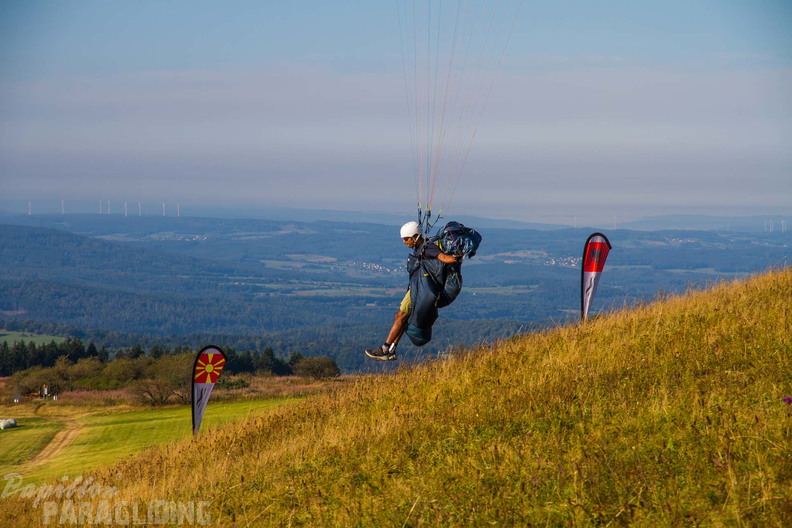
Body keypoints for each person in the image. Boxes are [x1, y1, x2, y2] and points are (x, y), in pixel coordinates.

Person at [365, 221, 458, 361]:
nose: (404, 242)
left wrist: (456, 258)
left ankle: (385, 349)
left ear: (415, 236)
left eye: (406, 238)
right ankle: (391, 349)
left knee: (400, 316)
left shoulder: (428, 248)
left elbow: (443, 258)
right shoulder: (422, 246)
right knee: (402, 317)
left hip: (420, 288)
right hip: (418, 287)